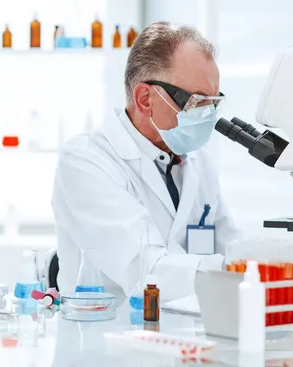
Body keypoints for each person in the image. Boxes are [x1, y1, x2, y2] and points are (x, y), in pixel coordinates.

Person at [52, 22, 240, 301]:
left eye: (213, 102)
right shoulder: (85, 161)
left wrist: (268, 259)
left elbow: (230, 245)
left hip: (185, 332)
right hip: (104, 333)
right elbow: (145, 271)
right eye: (197, 102)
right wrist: (237, 269)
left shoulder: (198, 161)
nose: (208, 115)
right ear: (144, 99)